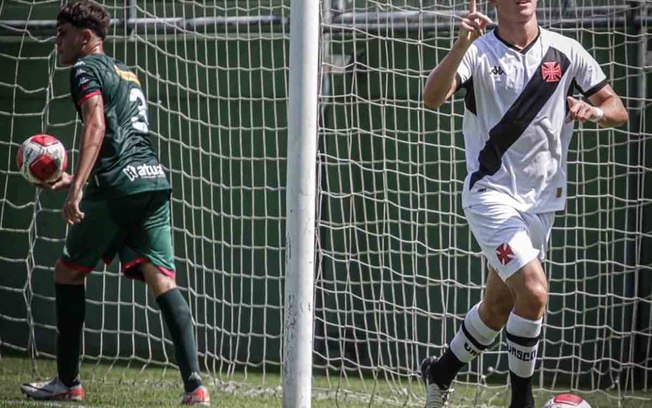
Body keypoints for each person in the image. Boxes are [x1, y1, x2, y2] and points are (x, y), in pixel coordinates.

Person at [419, 0, 628, 407]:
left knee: (499, 306)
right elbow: (432, 97)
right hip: (490, 195)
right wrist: (461, 44)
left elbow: (616, 107)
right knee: (533, 292)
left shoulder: (567, 51)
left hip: (542, 203)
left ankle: (442, 369)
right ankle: (522, 401)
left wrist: (595, 111)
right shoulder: (478, 51)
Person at [19, 1, 210, 405]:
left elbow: (97, 124)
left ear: (86, 38)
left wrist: (77, 189)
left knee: (68, 273)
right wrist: (80, 177)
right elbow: (123, 139)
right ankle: (196, 387)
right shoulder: (128, 73)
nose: (57, 41)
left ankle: (67, 382)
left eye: (63, 34)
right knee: (163, 280)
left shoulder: (84, 69)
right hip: (153, 181)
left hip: (119, 185)